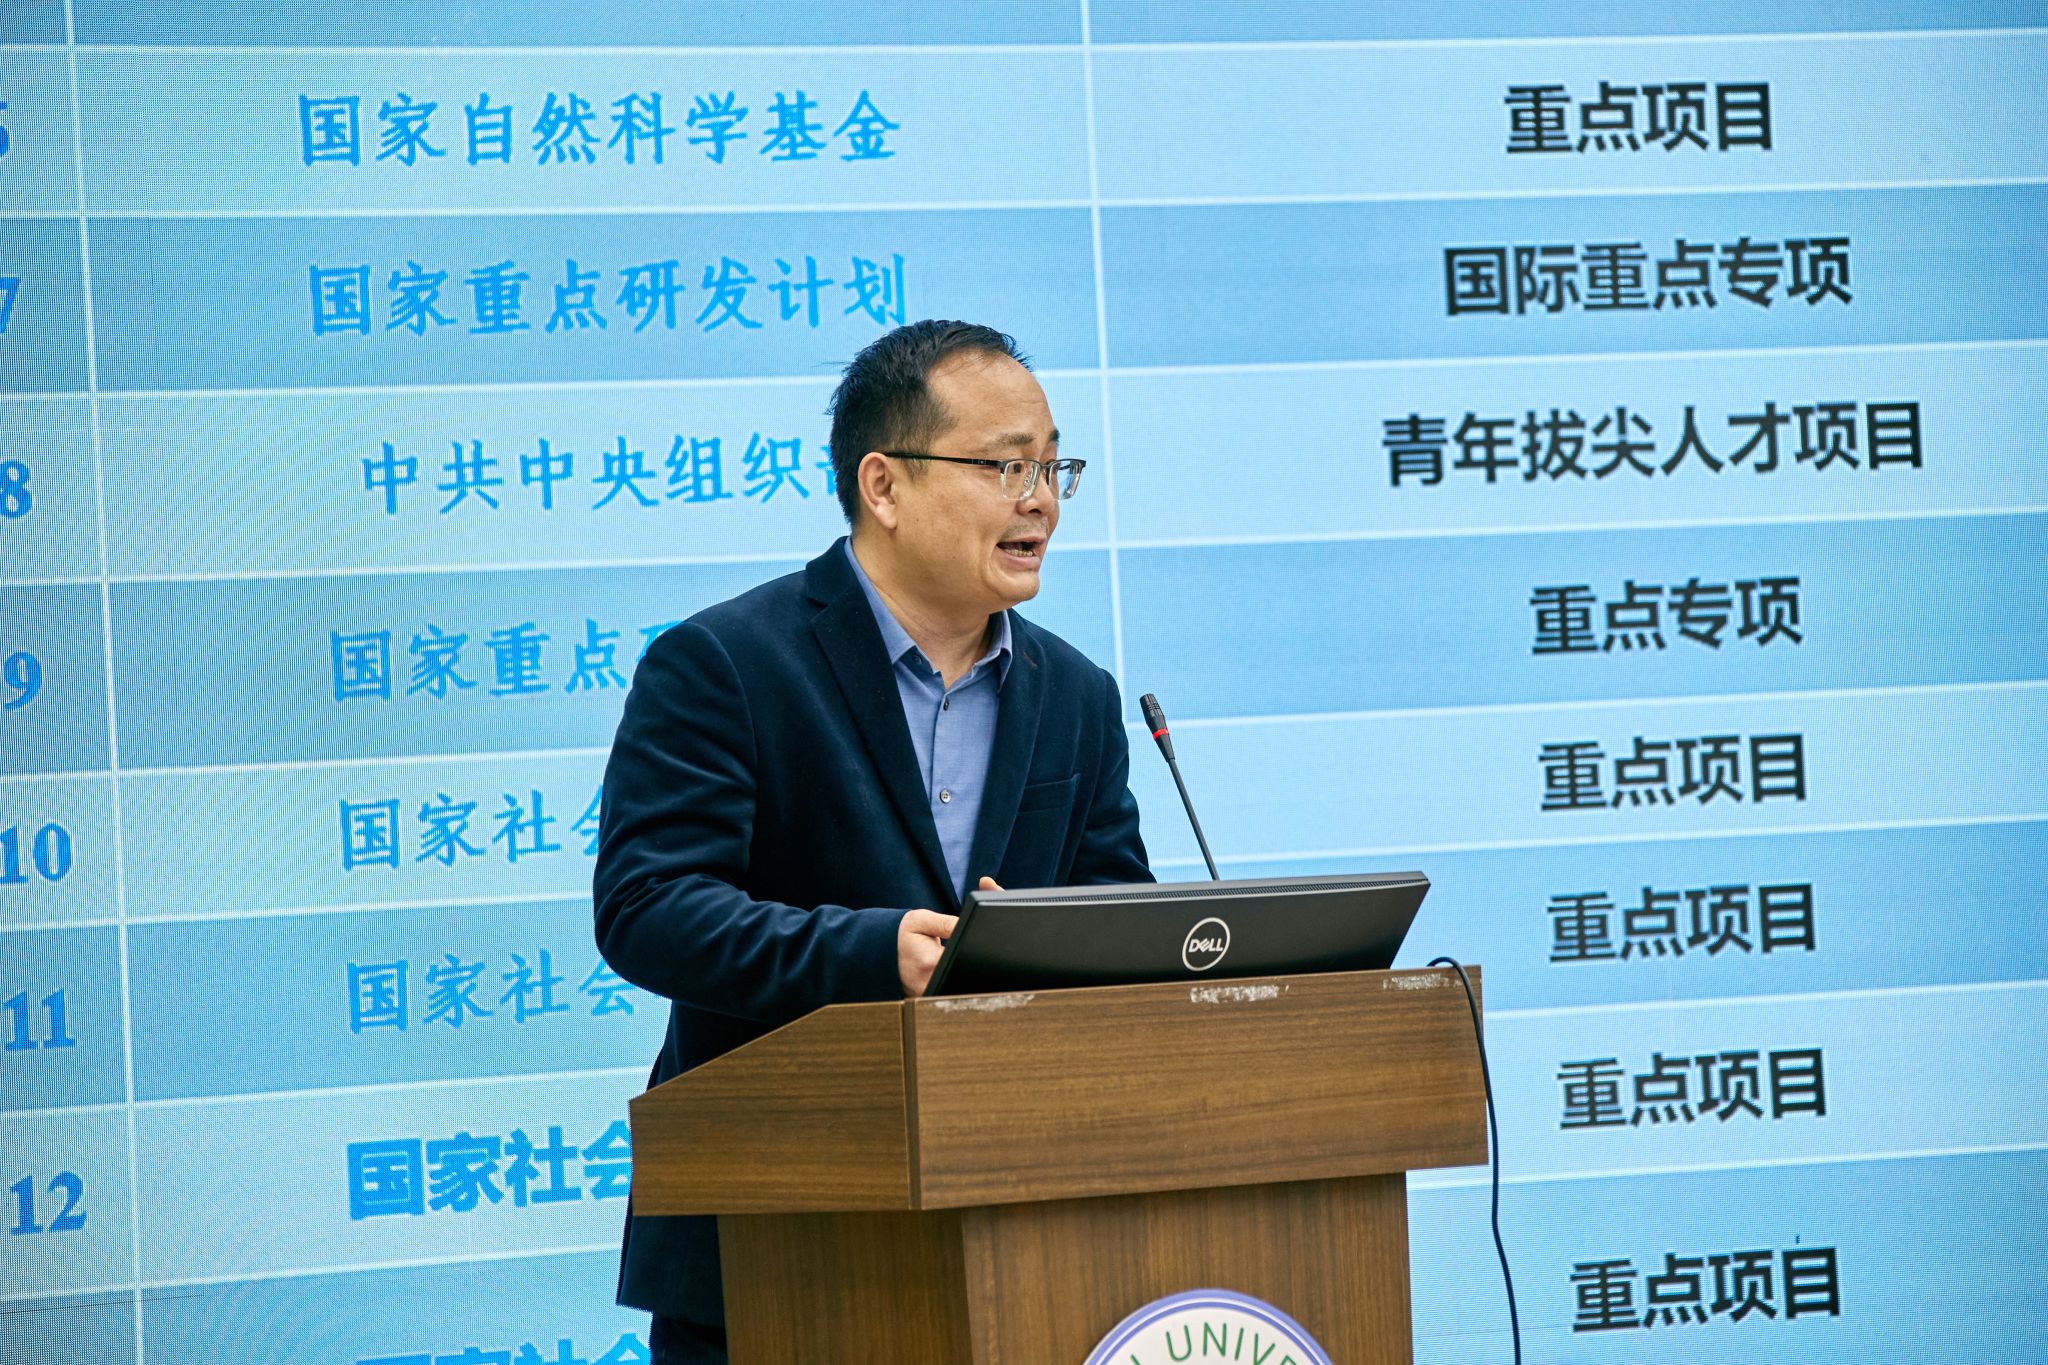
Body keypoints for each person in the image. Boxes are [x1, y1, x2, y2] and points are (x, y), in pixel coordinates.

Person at [592, 319, 1154, 1363]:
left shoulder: (1075, 695)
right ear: (883, 485)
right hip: (773, 1246)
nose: (1041, 499)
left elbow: (1115, 921)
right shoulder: (725, 664)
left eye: (1052, 466)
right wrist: (872, 950)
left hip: (1017, 1237)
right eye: (1005, 466)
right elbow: (648, 909)